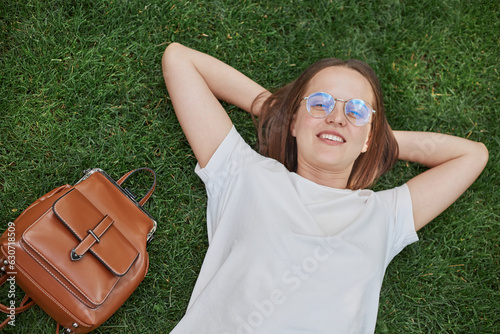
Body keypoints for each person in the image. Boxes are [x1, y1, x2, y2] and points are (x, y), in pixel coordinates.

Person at [162, 42, 488, 334]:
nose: (337, 117)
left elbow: (472, 155)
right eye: (320, 103)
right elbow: (179, 59)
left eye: (356, 110)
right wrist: (275, 111)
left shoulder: (383, 215)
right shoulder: (245, 174)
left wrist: (378, 142)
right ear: (294, 120)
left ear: (370, 139)